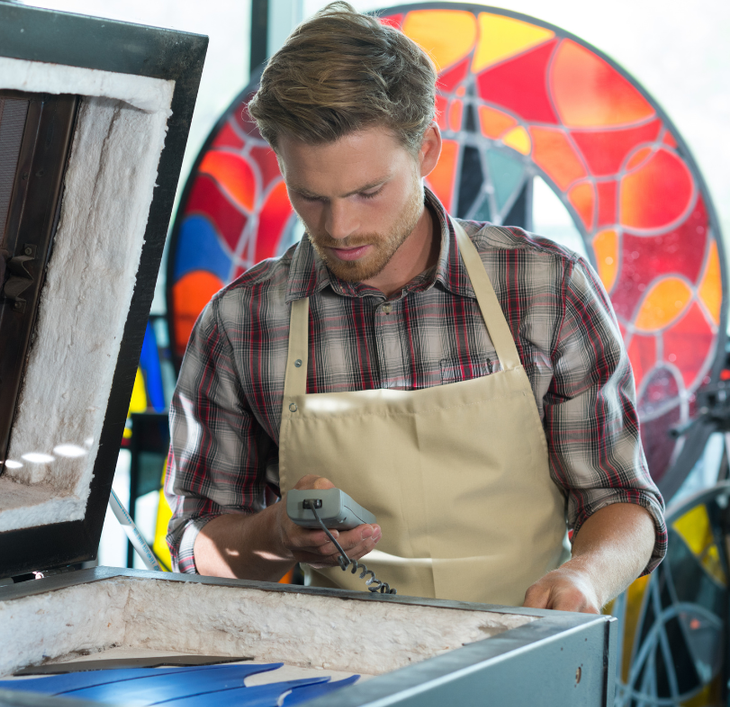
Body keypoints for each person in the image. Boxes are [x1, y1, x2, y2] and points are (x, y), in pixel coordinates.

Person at [164, 1, 665, 612]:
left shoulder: (546, 285)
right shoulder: (239, 322)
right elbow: (196, 546)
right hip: (336, 683)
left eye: (368, 192)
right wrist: (275, 536)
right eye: (311, 196)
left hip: (527, 654)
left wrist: (586, 575)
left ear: (427, 149)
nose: (341, 227)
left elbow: (620, 499)